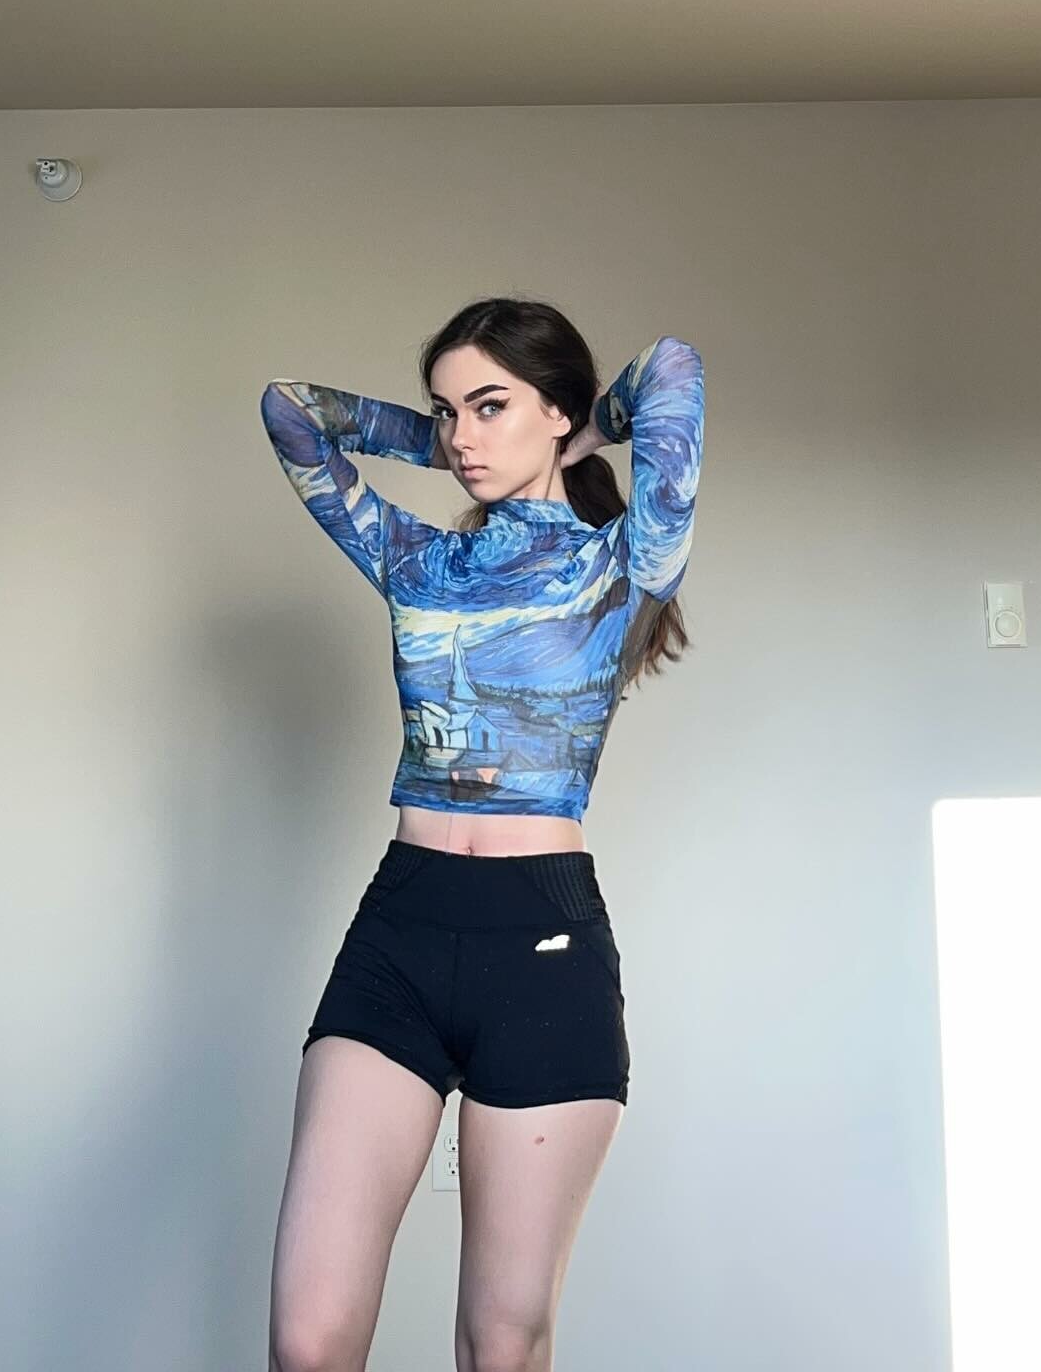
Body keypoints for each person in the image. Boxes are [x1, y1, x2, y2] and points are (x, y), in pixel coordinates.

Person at [259, 296, 705, 1372]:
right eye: (445, 411)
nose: (462, 435)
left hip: (542, 952)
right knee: (309, 1343)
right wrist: (455, 437)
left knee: (502, 1345)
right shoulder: (418, 561)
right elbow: (291, 412)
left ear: (556, 410)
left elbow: (672, 368)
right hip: (399, 937)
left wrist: (582, 428)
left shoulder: (624, 562)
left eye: (489, 406)